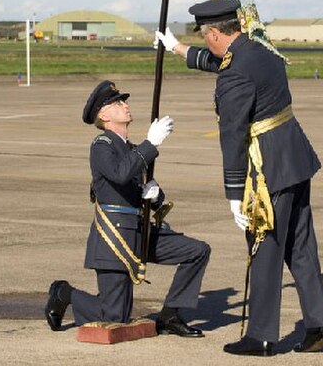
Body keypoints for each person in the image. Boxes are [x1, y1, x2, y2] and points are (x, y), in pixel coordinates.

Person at [155, 0, 323, 356]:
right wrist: (177, 48)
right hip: (295, 157)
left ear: (216, 33)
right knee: (301, 247)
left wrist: (234, 191)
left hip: (267, 169)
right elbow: (222, 61)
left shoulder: (235, 72)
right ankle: (318, 324)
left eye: (207, 37)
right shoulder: (259, 48)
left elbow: (233, 134)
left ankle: (262, 336)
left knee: (264, 250)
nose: (207, 43)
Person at [45, 80, 210, 337]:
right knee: (114, 317)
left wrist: (154, 195)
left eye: (124, 101)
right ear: (103, 115)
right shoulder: (102, 145)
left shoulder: (132, 150)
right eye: (118, 103)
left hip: (140, 232)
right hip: (115, 236)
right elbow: (120, 174)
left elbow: (139, 186)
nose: (126, 105)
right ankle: (64, 293)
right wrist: (151, 143)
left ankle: (171, 314)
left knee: (196, 251)